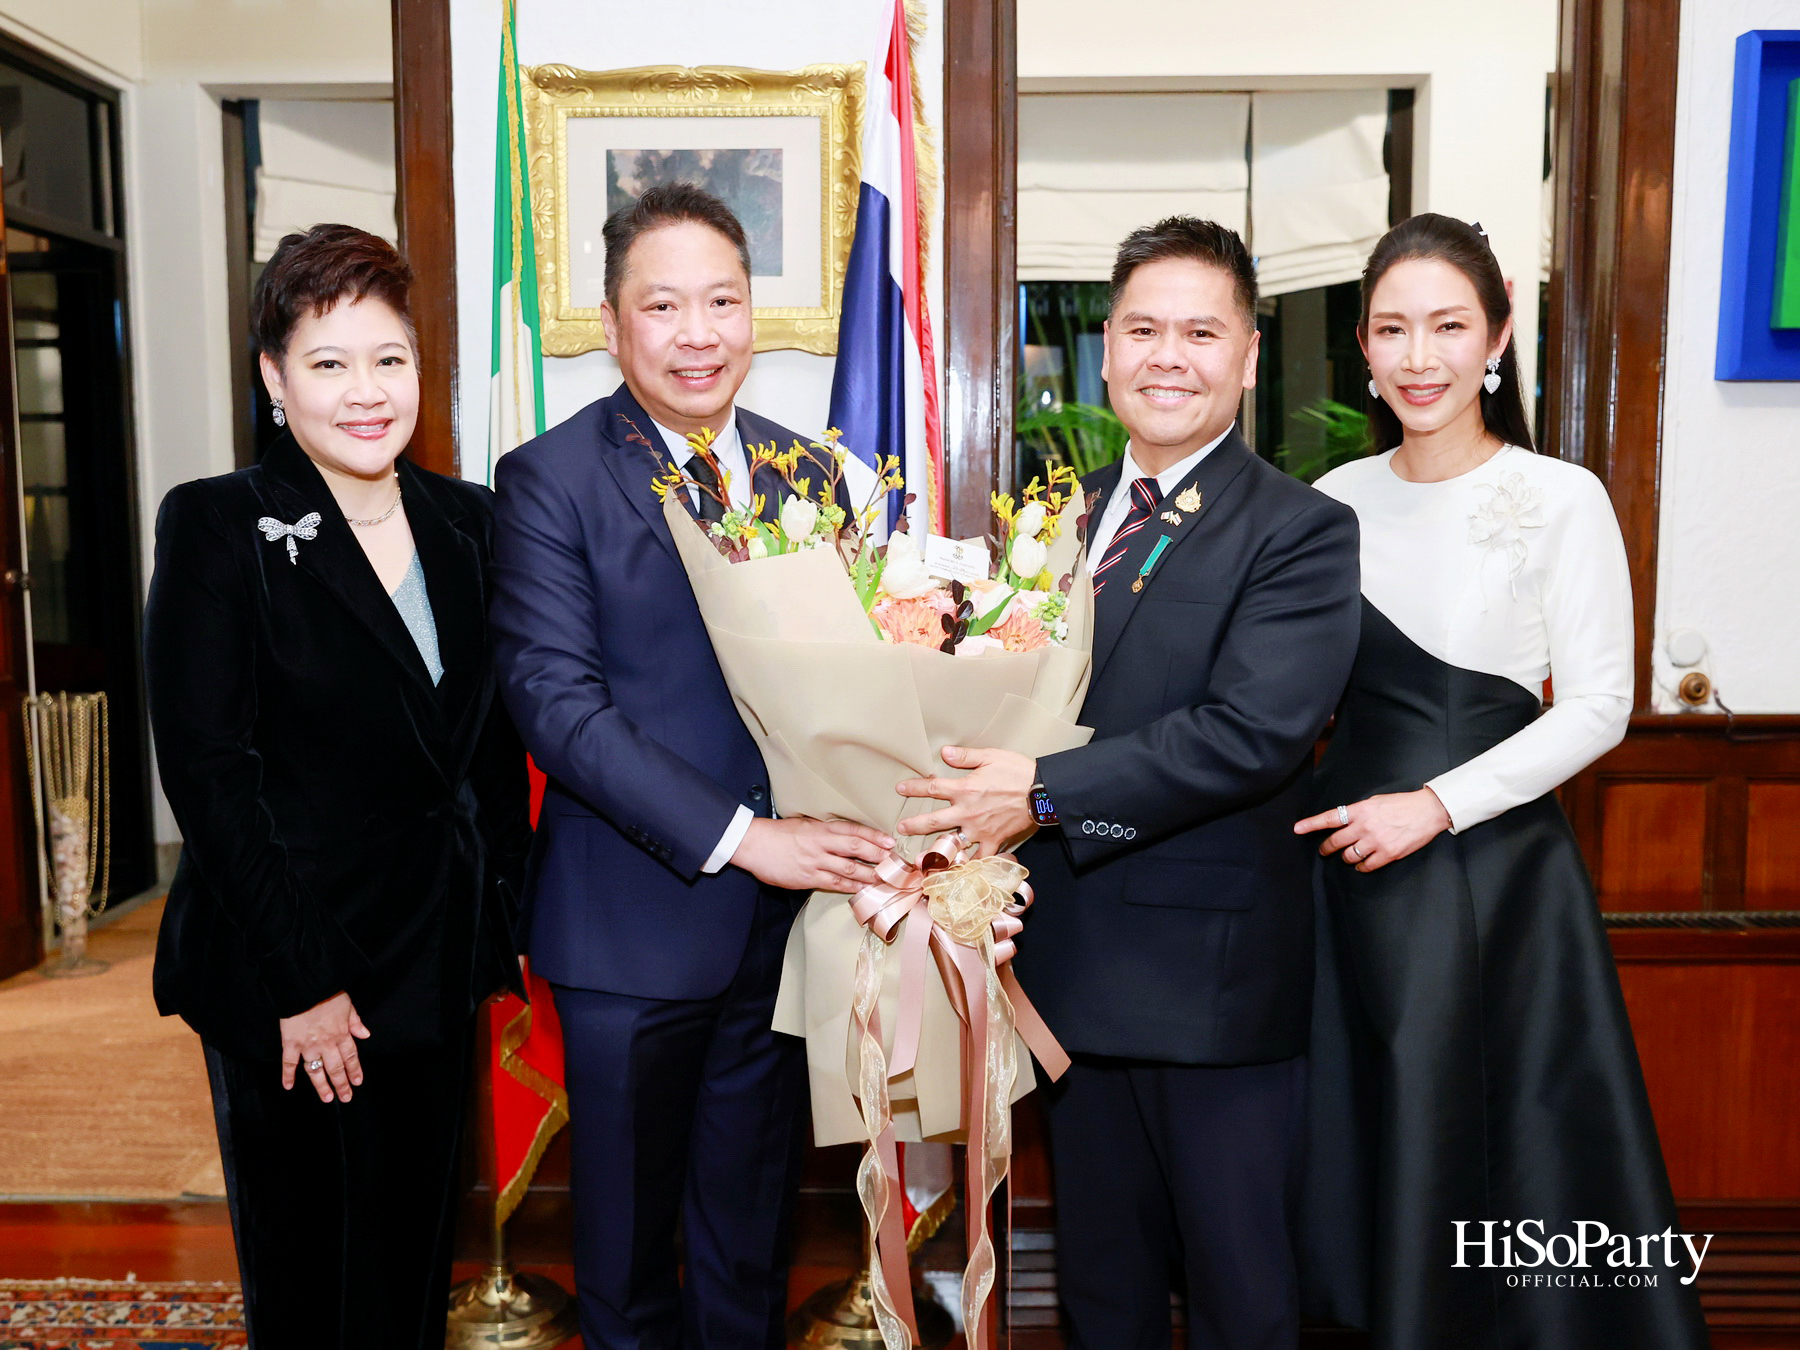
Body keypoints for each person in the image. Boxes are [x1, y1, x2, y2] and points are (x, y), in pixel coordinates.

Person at [895, 216, 1363, 1349]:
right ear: (1106, 350)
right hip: (1062, 969)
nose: (1169, 357)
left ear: (1248, 356)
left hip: (1208, 983)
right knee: (1102, 1290)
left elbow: (1252, 733)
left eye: (1201, 333)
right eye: (1144, 330)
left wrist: (1041, 794)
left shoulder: (1300, 530)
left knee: (1240, 1294)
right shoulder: (1051, 520)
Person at [1293, 213, 1708, 1348]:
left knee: (1492, 1140)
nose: (1419, 356)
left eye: (1448, 326)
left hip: (1491, 874)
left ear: (1498, 337)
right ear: (1363, 348)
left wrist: (1435, 806)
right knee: (1372, 1142)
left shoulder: (1562, 496)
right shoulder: (1330, 500)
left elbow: (1600, 705)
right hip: (1346, 872)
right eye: (1392, 329)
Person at [488, 182, 891, 1350]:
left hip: (786, 932)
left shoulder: (812, 474)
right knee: (624, 1258)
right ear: (612, 324)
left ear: (753, 311)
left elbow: (856, 680)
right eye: (662, 305)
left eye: (722, 301)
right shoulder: (551, 478)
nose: (698, 332)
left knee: (750, 1242)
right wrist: (746, 839)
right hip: (630, 926)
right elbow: (558, 710)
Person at [145, 223, 530, 1349]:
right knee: (312, 1289)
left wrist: (498, 915)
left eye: (389, 358)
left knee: (410, 1277)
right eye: (329, 362)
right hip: (290, 968)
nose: (367, 392)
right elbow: (210, 776)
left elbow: (487, 746)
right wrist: (304, 981)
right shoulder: (218, 524)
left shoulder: (468, 521)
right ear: (275, 378)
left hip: (433, 958)